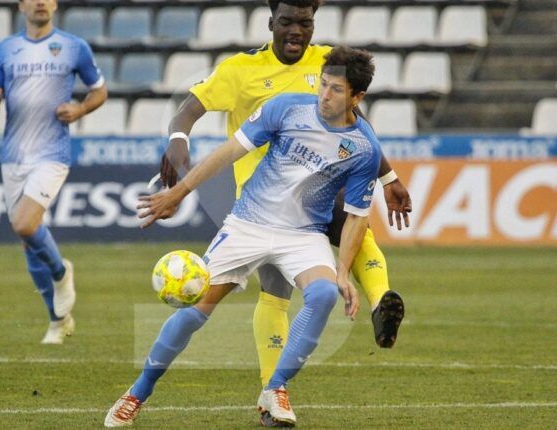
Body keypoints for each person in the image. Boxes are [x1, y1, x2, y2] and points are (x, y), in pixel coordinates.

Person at [106, 46, 381, 428]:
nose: (324, 94)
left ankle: (276, 388)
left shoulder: (365, 147)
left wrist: (342, 269)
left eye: (336, 90)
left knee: (322, 294)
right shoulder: (286, 107)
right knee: (193, 312)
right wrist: (179, 192)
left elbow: (355, 218)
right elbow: (229, 152)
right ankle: (137, 393)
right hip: (247, 224)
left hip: (303, 234)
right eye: (323, 84)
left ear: (357, 97)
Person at [160, 0, 411, 394]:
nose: (297, 30)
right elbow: (187, 112)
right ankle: (273, 389)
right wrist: (178, 141)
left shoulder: (328, 62)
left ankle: (381, 303)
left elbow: (355, 120)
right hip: (263, 201)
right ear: (271, 23)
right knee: (277, 291)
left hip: (318, 188)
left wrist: (388, 174)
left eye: (305, 23)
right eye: (288, 22)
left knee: (353, 220)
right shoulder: (240, 70)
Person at [0, 0, 108, 344]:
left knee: (23, 223)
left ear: (54, 4)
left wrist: (80, 109)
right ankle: (58, 319)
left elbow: (100, 90)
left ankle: (61, 272)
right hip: (13, 154)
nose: (40, 2)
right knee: (27, 241)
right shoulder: (3, 49)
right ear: (21, 5)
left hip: (52, 152)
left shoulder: (73, 46)